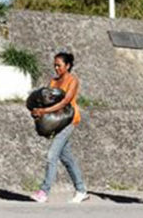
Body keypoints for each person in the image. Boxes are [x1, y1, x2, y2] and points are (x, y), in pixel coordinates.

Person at [30, 52, 88, 204]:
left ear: (67, 66)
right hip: (56, 122)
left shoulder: (72, 80)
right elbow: (47, 101)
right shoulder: (53, 81)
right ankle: (81, 190)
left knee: (51, 155)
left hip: (69, 121)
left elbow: (65, 102)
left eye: (59, 65)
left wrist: (44, 111)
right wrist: (38, 112)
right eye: (54, 65)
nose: (56, 68)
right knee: (67, 158)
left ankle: (44, 191)